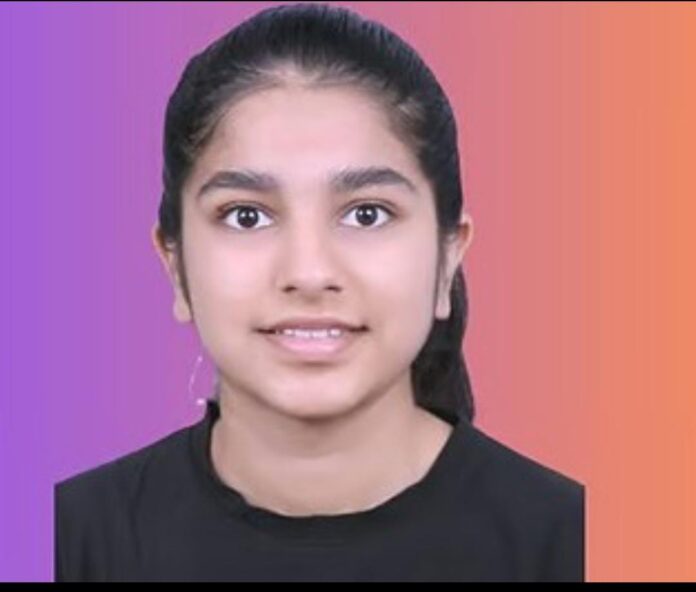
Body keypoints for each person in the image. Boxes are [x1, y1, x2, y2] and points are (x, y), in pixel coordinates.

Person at [54, 2, 584, 582]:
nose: (308, 273)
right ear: (176, 265)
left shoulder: (573, 543)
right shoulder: (67, 542)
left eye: (366, 214)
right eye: (247, 216)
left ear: (447, 257)